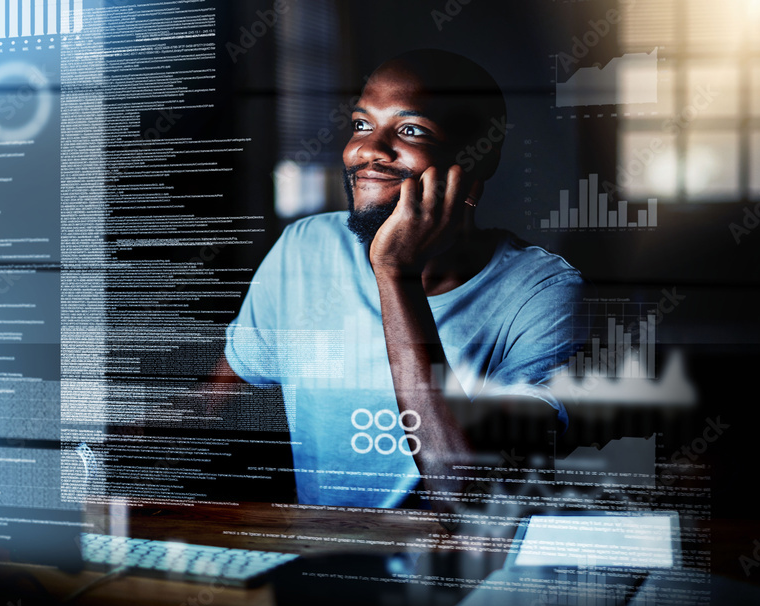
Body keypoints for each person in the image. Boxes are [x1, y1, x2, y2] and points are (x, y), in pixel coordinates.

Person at [216, 49, 584, 508]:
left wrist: (395, 274)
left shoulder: (541, 292)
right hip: (317, 559)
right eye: (361, 124)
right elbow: (219, 396)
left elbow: (466, 491)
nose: (368, 149)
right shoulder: (305, 247)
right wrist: (127, 437)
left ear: (479, 159)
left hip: (449, 572)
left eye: (411, 130)